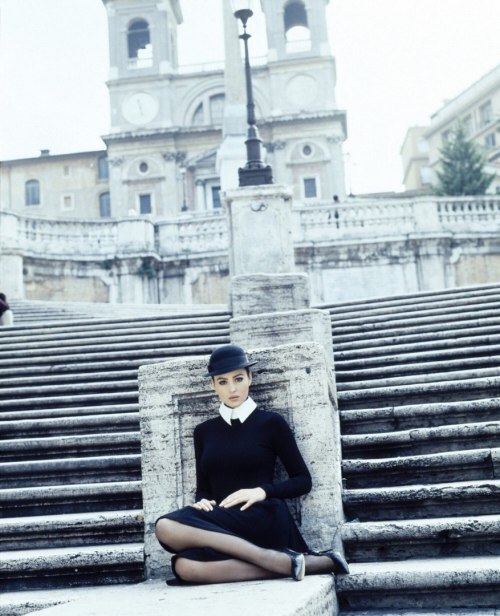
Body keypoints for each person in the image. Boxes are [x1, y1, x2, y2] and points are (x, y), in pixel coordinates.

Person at [155, 344, 349, 585]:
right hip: (224, 522)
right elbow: (204, 487)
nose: (232, 388)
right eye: (223, 382)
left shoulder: (271, 423)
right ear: (213, 385)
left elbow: (303, 480)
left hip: (262, 515)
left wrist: (261, 491)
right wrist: (202, 500)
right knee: (184, 566)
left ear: (250, 377)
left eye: (238, 378)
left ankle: (270, 557)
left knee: (165, 526)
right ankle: (300, 563)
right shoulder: (203, 432)